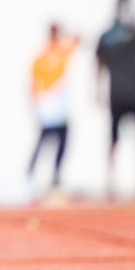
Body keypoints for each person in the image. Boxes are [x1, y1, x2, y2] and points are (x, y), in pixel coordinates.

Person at [95, 0, 135, 195]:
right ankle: (123, 181)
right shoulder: (132, 33)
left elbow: (98, 64)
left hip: (125, 93)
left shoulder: (110, 36)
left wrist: (97, 88)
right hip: (129, 93)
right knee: (128, 137)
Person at [27, 23, 76, 192]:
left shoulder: (62, 51)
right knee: (43, 141)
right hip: (48, 104)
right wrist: (36, 107)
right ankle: (29, 174)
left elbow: (78, 39)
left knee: (62, 142)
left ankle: (55, 177)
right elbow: (33, 83)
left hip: (60, 104)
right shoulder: (42, 56)